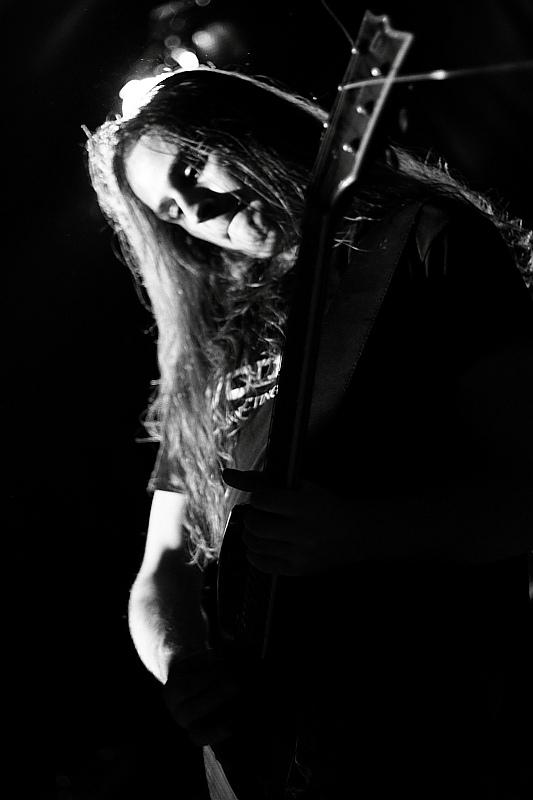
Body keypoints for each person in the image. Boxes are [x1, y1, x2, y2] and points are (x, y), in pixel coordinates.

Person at [86, 67, 533, 799]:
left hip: (430, 721)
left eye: (192, 168)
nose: (197, 208)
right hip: (269, 753)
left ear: (249, 127)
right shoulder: (211, 343)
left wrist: (363, 533)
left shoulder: (423, 238)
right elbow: (161, 568)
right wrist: (182, 667)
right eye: (172, 210)